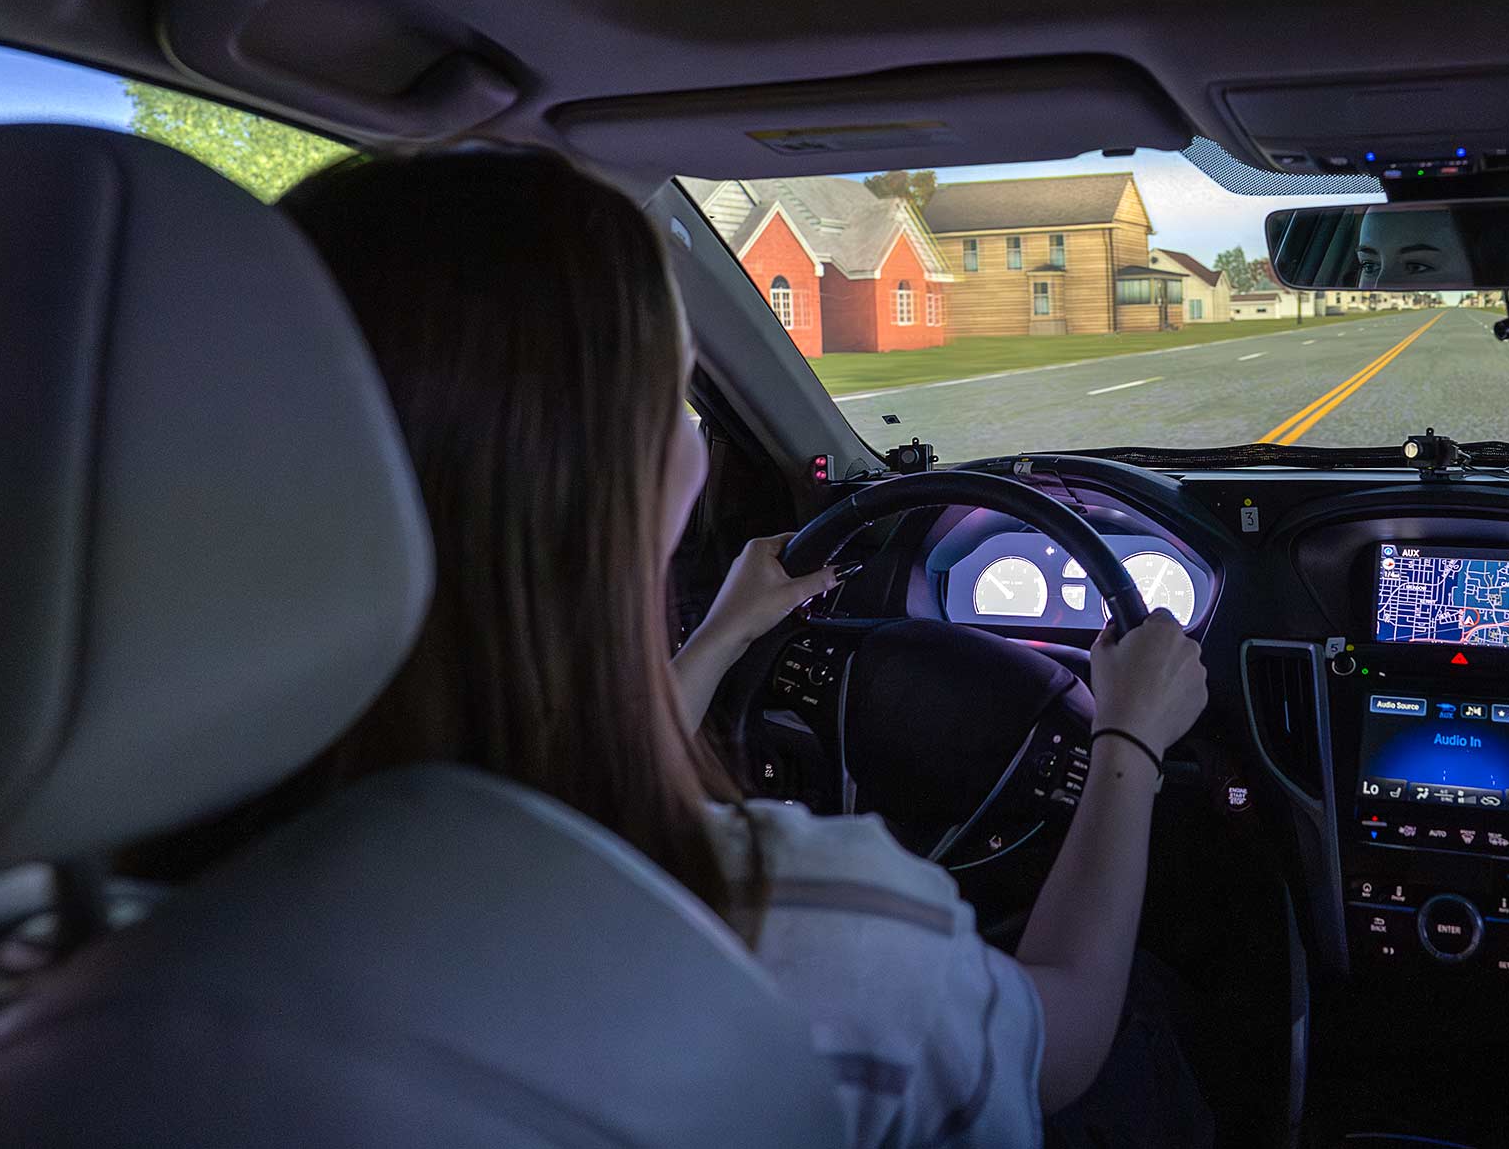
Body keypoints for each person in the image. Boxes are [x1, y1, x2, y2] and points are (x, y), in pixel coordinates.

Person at [274, 149, 1211, 1146]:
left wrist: (724, 633)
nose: (698, 442)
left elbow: (567, 793)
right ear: (620, 477)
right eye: (678, 401)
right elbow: (1057, 1045)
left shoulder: (139, 886)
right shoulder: (802, 924)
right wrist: (1130, 743)